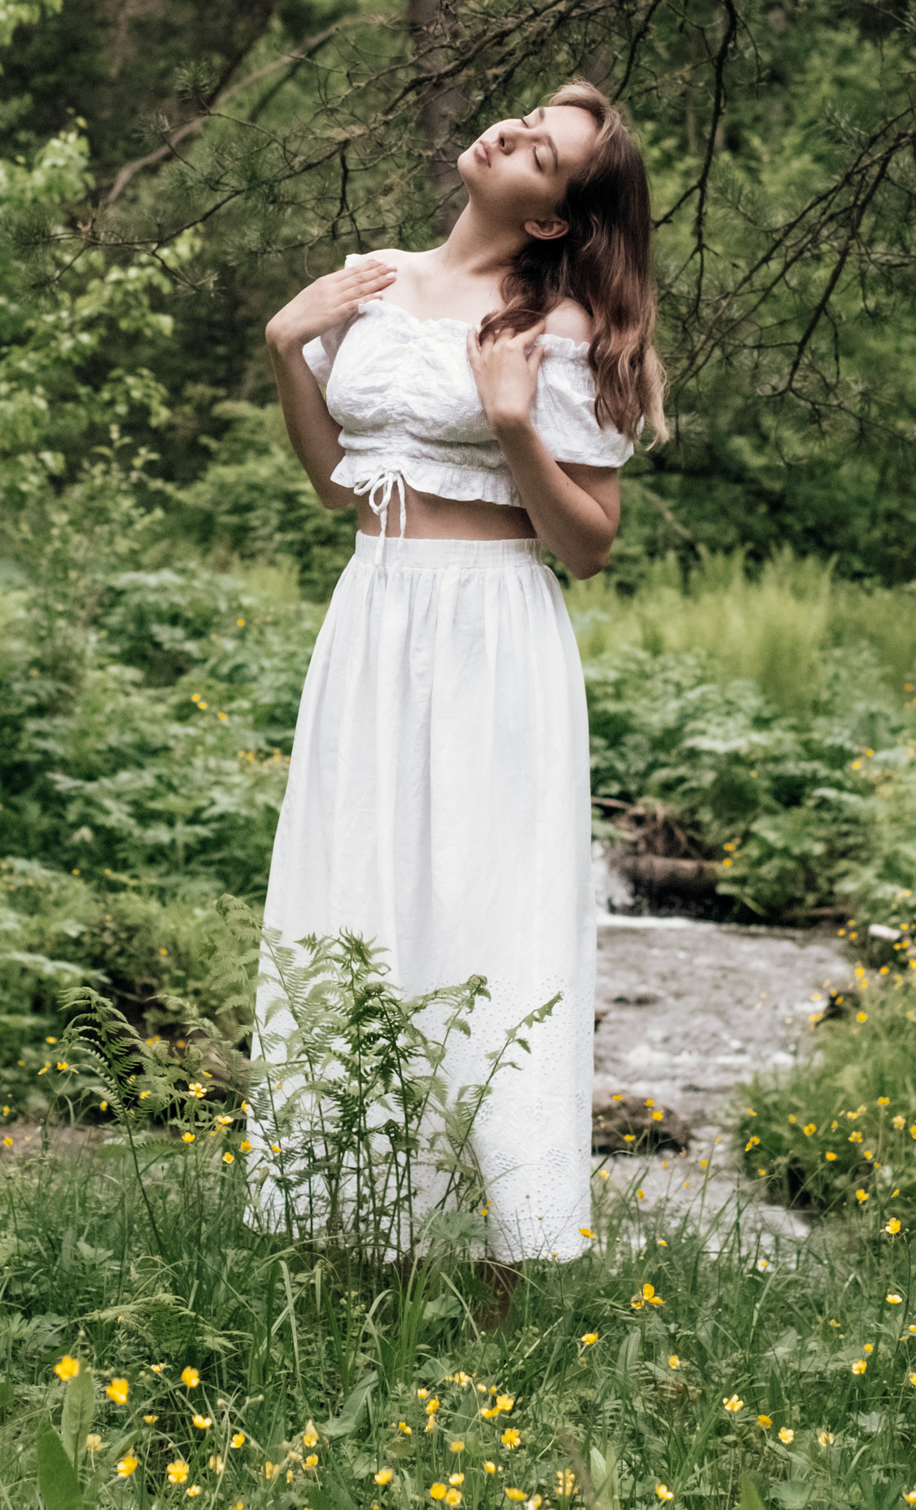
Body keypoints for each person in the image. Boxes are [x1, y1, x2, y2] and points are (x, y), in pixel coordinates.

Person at [247, 79, 667, 1325]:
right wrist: (287, 350)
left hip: (493, 631)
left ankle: (498, 1269)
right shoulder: (369, 279)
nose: (514, 134)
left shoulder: (562, 328)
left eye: (547, 149)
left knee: (490, 918)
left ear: (550, 218)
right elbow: (339, 483)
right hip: (373, 616)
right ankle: (361, 1233)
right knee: (361, 897)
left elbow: (586, 548)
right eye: (528, 118)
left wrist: (514, 427)